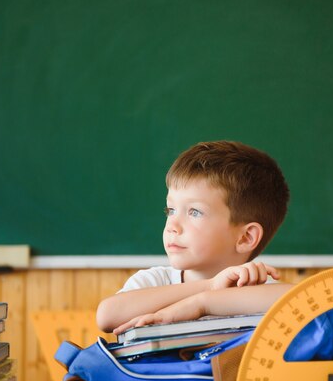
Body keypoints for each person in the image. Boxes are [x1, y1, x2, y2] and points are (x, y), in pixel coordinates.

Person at [96, 140, 292, 334]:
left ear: (245, 238)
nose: (172, 225)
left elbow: (319, 305)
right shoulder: (154, 281)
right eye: (170, 210)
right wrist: (210, 286)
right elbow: (107, 316)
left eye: (194, 212)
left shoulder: (257, 290)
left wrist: (204, 303)